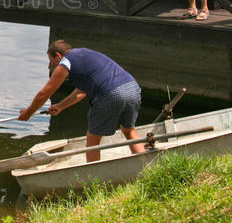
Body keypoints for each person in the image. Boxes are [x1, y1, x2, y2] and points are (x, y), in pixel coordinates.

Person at [18, 40, 146, 162]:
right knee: (129, 130)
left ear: (58, 55)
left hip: (110, 94)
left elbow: (44, 94)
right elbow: (82, 91)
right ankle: (144, 164)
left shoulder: (65, 63)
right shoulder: (84, 53)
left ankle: (92, 175)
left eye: (52, 61)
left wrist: (28, 113)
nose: (52, 65)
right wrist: (61, 106)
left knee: (92, 140)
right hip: (132, 88)